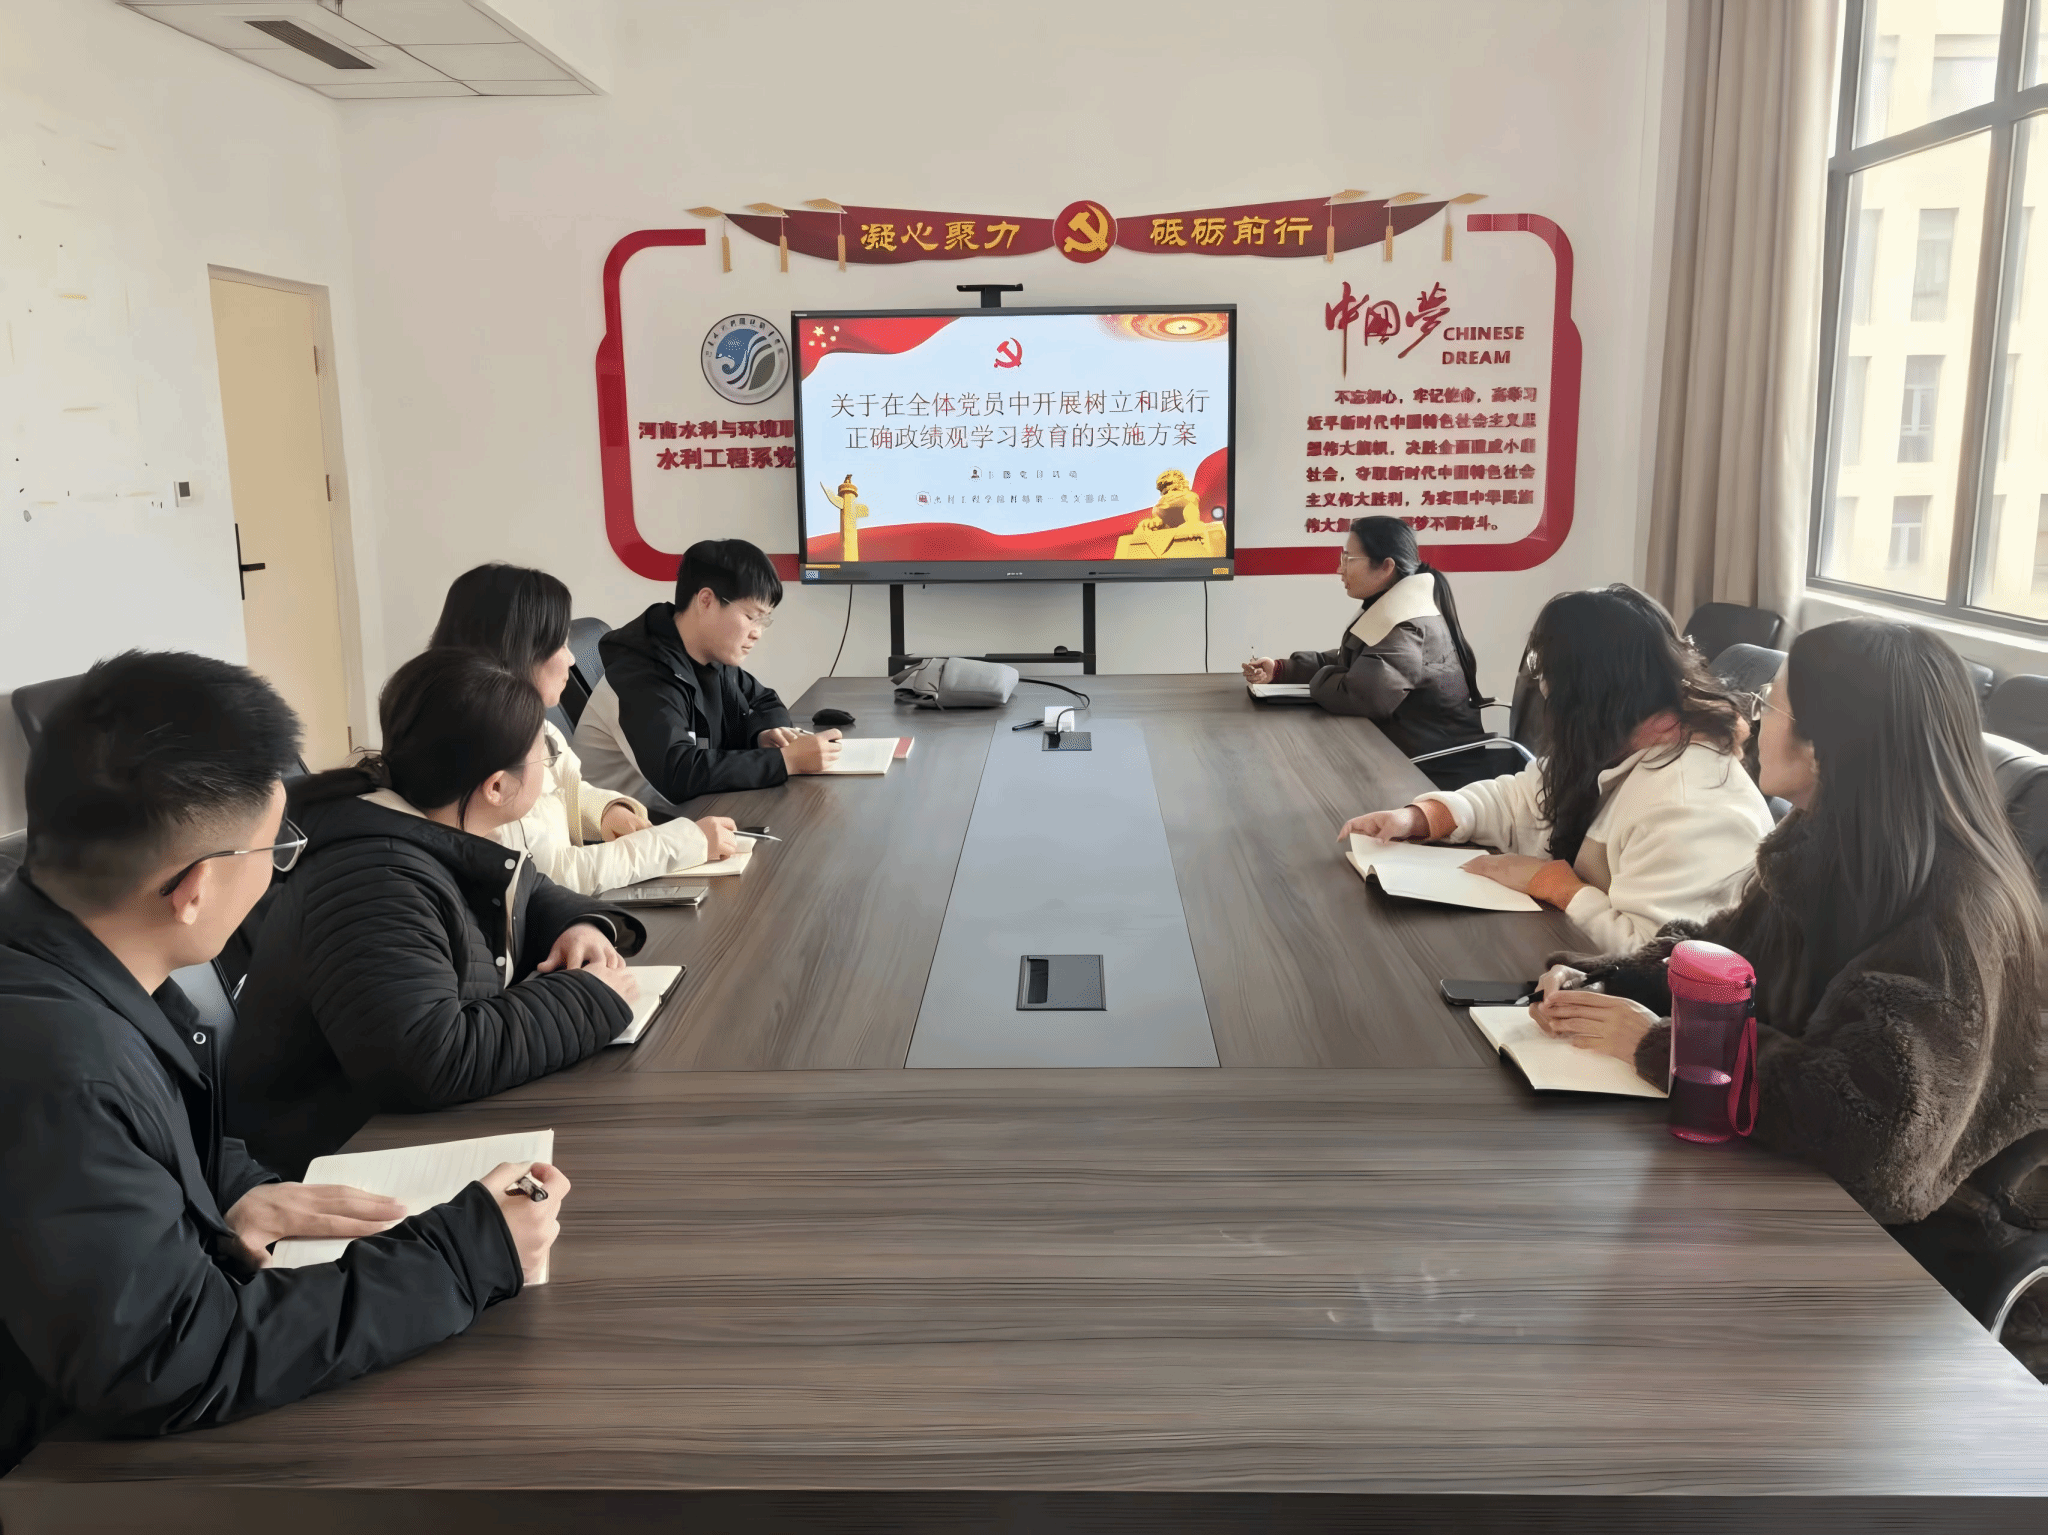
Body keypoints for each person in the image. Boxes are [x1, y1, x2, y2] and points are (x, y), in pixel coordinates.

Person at [0, 652, 562, 1473]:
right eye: (273, 847)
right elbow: (170, 1360)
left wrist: (228, 1188)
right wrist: (464, 1253)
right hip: (58, 1470)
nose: (276, 872)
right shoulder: (61, 1068)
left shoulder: (66, 951)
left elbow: (137, 1140)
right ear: (194, 887)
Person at [1530, 622, 2045, 1370]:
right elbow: (1727, 949)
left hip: (1918, 1260)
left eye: (1768, 705)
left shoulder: (1957, 914)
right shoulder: (1831, 841)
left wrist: (1658, 1043)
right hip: (1789, 1187)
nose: (1750, 721)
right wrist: (1613, 977)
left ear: (1826, 745)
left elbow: (1874, 1132)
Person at [229, 648, 645, 1178]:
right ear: (497, 786)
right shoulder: (372, 880)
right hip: (336, 1162)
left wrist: (579, 925)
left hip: (403, 1131)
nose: (548, 770)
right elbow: (428, 1059)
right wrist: (589, 998)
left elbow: (528, 890)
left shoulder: (428, 823)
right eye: (542, 758)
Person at [1340, 584, 1772, 950]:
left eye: (1544, 672)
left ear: (1586, 691)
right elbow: (1522, 799)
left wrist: (1555, 885)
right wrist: (1425, 817)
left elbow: (1654, 958)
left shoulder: (1688, 804)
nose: (1542, 688)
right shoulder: (1620, 738)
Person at [430, 562, 740, 894]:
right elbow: (556, 876)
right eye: (560, 645)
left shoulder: (524, 721)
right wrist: (686, 843)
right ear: (518, 650)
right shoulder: (483, 753)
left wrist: (607, 811)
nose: (571, 658)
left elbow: (564, 788)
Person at [576, 538, 842, 810]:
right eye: (752, 617)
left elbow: (765, 701)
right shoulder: (643, 673)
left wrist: (764, 734)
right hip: (622, 826)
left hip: (687, 814)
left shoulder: (709, 657)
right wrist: (786, 761)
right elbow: (678, 774)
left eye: (764, 621)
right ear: (706, 601)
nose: (757, 633)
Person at [1242, 516, 1488, 771]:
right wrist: (1281, 670)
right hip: (1403, 753)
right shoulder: (1397, 609)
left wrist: (1324, 678)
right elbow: (1351, 660)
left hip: (1432, 770)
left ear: (1386, 566)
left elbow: (1360, 696)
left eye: (1348, 559)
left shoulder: (1406, 626)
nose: (1340, 569)